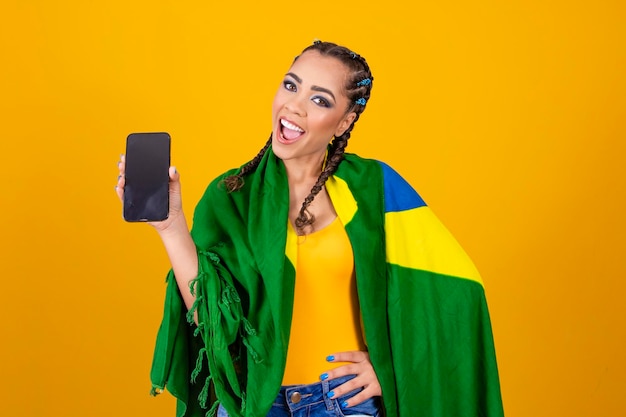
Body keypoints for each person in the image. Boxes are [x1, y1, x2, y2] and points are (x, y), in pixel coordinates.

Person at [116, 40, 504, 417]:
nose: (294, 107)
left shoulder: (373, 189)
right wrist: (171, 227)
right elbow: (212, 322)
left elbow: (455, 299)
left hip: (343, 403)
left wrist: (389, 367)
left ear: (345, 121)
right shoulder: (230, 195)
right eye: (291, 85)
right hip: (253, 401)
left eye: (319, 100)